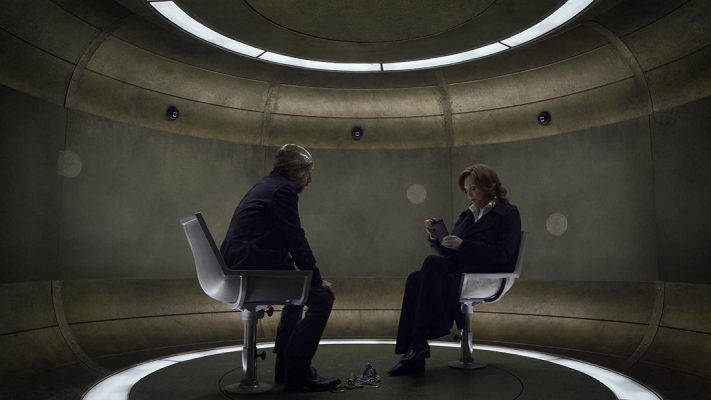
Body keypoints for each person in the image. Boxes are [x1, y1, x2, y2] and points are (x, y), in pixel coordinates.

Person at [220, 144, 340, 391]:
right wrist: (317, 280)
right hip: (251, 270)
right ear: (296, 171)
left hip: (238, 266)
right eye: (307, 173)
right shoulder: (283, 191)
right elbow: (296, 239)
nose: (309, 180)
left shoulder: (265, 186)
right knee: (322, 299)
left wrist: (302, 276)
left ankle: (285, 369)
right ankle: (298, 371)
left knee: (296, 296)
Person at [388, 164, 522, 376]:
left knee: (431, 265)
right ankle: (416, 348)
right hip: (458, 272)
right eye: (466, 190)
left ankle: (419, 344)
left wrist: (464, 245)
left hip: (485, 275)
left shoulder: (507, 213)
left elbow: (504, 254)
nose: (469, 194)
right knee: (415, 278)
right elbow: (450, 254)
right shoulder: (467, 214)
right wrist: (435, 237)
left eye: (473, 188)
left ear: (489, 186)